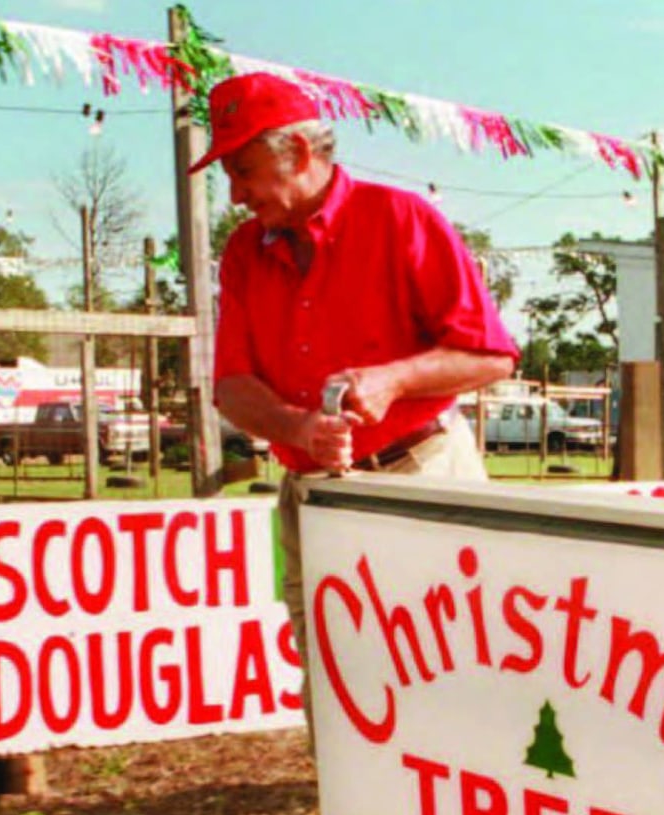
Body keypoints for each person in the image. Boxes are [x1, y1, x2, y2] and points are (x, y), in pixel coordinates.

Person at [198, 72, 520, 730]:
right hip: (316, 491)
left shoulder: (400, 219)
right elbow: (231, 385)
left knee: (457, 666)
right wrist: (296, 426)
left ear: (302, 155)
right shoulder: (241, 254)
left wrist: (395, 379)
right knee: (336, 668)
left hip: (422, 476)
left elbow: (494, 356)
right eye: (229, 174)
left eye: (244, 170)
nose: (234, 193)